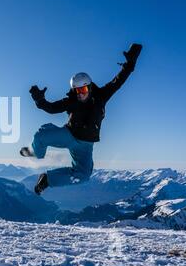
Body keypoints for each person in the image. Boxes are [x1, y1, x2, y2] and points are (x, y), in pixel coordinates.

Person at [21, 44, 143, 195]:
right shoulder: (71, 101)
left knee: (83, 176)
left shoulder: (101, 96)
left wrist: (130, 63)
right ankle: (35, 152)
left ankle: (47, 179)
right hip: (69, 135)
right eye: (77, 90)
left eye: (83, 89)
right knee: (41, 136)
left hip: (85, 145)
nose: (80, 94)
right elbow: (51, 108)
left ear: (89, 87)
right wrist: (40, 100)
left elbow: (118, 81)